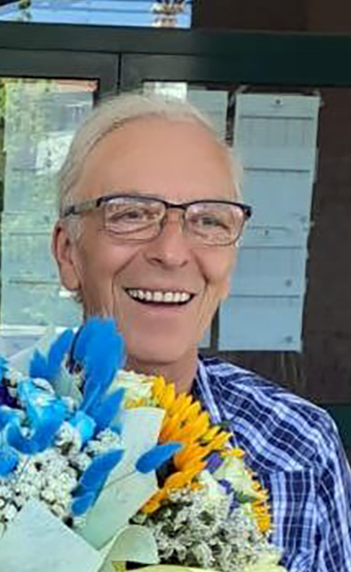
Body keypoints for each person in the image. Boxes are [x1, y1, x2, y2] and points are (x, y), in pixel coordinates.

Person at [52, 92, 351, 571]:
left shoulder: (296, 446)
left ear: (229, 264)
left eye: (208, 220)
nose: (171, 252)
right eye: (130, 213)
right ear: (69, 253)